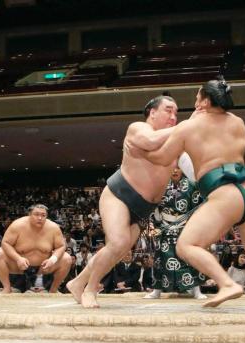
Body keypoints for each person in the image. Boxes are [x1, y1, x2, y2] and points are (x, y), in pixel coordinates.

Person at [129, 79, 245, 310]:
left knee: (186, 246)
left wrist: (137, 151)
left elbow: (162, 157)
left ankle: (226, 284)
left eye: (198, 97)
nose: (195, 101)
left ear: (206, 101)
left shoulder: (189, 127)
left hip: (224, 194)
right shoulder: (238, 123)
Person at [66, 93, 185, 308]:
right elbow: (149, 142)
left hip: (144, 208)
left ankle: (78, 282)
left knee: (117, 251)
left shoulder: (174, 140)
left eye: (176, 113)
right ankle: (91, 289)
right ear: (152, 112)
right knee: (118, 243)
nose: (173, 116)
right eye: (168, 110)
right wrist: (187, 127)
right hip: (120, 194)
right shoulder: (138, 128)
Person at [145, 165, 207, 299]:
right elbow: (155, 206)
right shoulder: (161, 185)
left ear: (182, 169)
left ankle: (196, 290)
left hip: (185, 228)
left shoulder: (191, 185)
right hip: (165, 227)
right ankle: (157, 290)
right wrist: (157, 222)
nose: (174, 171)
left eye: (178, 168)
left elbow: (197, 208)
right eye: (172, 168)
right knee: (160, 258)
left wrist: (193, 226)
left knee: (189, 257)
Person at [0, 204, 74, 293]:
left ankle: (53, 290)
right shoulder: (17, 225)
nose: (40, 218)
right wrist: (18, 258)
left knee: (67, 258)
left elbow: (61, 246)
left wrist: (52, 260)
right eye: (36, 214)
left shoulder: (53, 228)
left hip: (44, 267)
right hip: (19, 265)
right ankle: (7, 288)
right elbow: (5, 243)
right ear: (29, 215)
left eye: (43, 215)